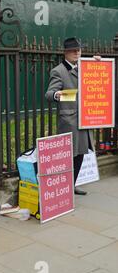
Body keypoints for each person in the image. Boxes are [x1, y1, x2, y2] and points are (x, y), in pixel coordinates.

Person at [45, 37, 100, 196]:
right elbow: (49, 95)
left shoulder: (84, 67)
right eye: (73, 50)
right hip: (69, 121)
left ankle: (71, 184)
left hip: (84, 120)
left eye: (79, 50)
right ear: (65, 52)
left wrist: (98, 64)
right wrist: (65, 95)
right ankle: (64, 188)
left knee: (81, 154)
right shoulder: (58, 71)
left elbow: (99, 78)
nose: (77, 52)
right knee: (69, 156)